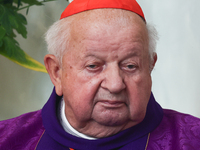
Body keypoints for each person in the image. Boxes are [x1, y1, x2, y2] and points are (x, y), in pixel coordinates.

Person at [0, 0, 200, 149]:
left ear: (149, 66)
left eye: (130, 66)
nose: (115, 85)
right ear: (56, 72)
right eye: (94, 66)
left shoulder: (193, 139)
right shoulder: (7, 139)